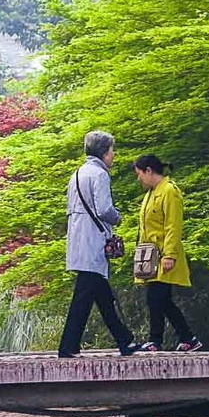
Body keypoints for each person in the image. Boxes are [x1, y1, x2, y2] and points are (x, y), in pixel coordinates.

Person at [57, 131, 140, 358]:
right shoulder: (100, 175)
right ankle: (67, 346)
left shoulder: (77, 174)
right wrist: (117, 217)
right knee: (84, 296)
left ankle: (125, 340)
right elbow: (104, 209)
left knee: (101, 295)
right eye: (112, 150)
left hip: (78, 240)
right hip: (93, 241)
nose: (113, 155)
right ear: (103, 152)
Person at [132, 155, 202, 352]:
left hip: (163, 254)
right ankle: (188, 337)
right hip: (151, 256)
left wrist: (169, 255)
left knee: (156, 297)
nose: (139, 179)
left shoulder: (169, 191)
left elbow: (173, 226)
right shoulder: (151, 194)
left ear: (148, 171)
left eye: (139, 174)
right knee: (162, 299)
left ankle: (156, 339)